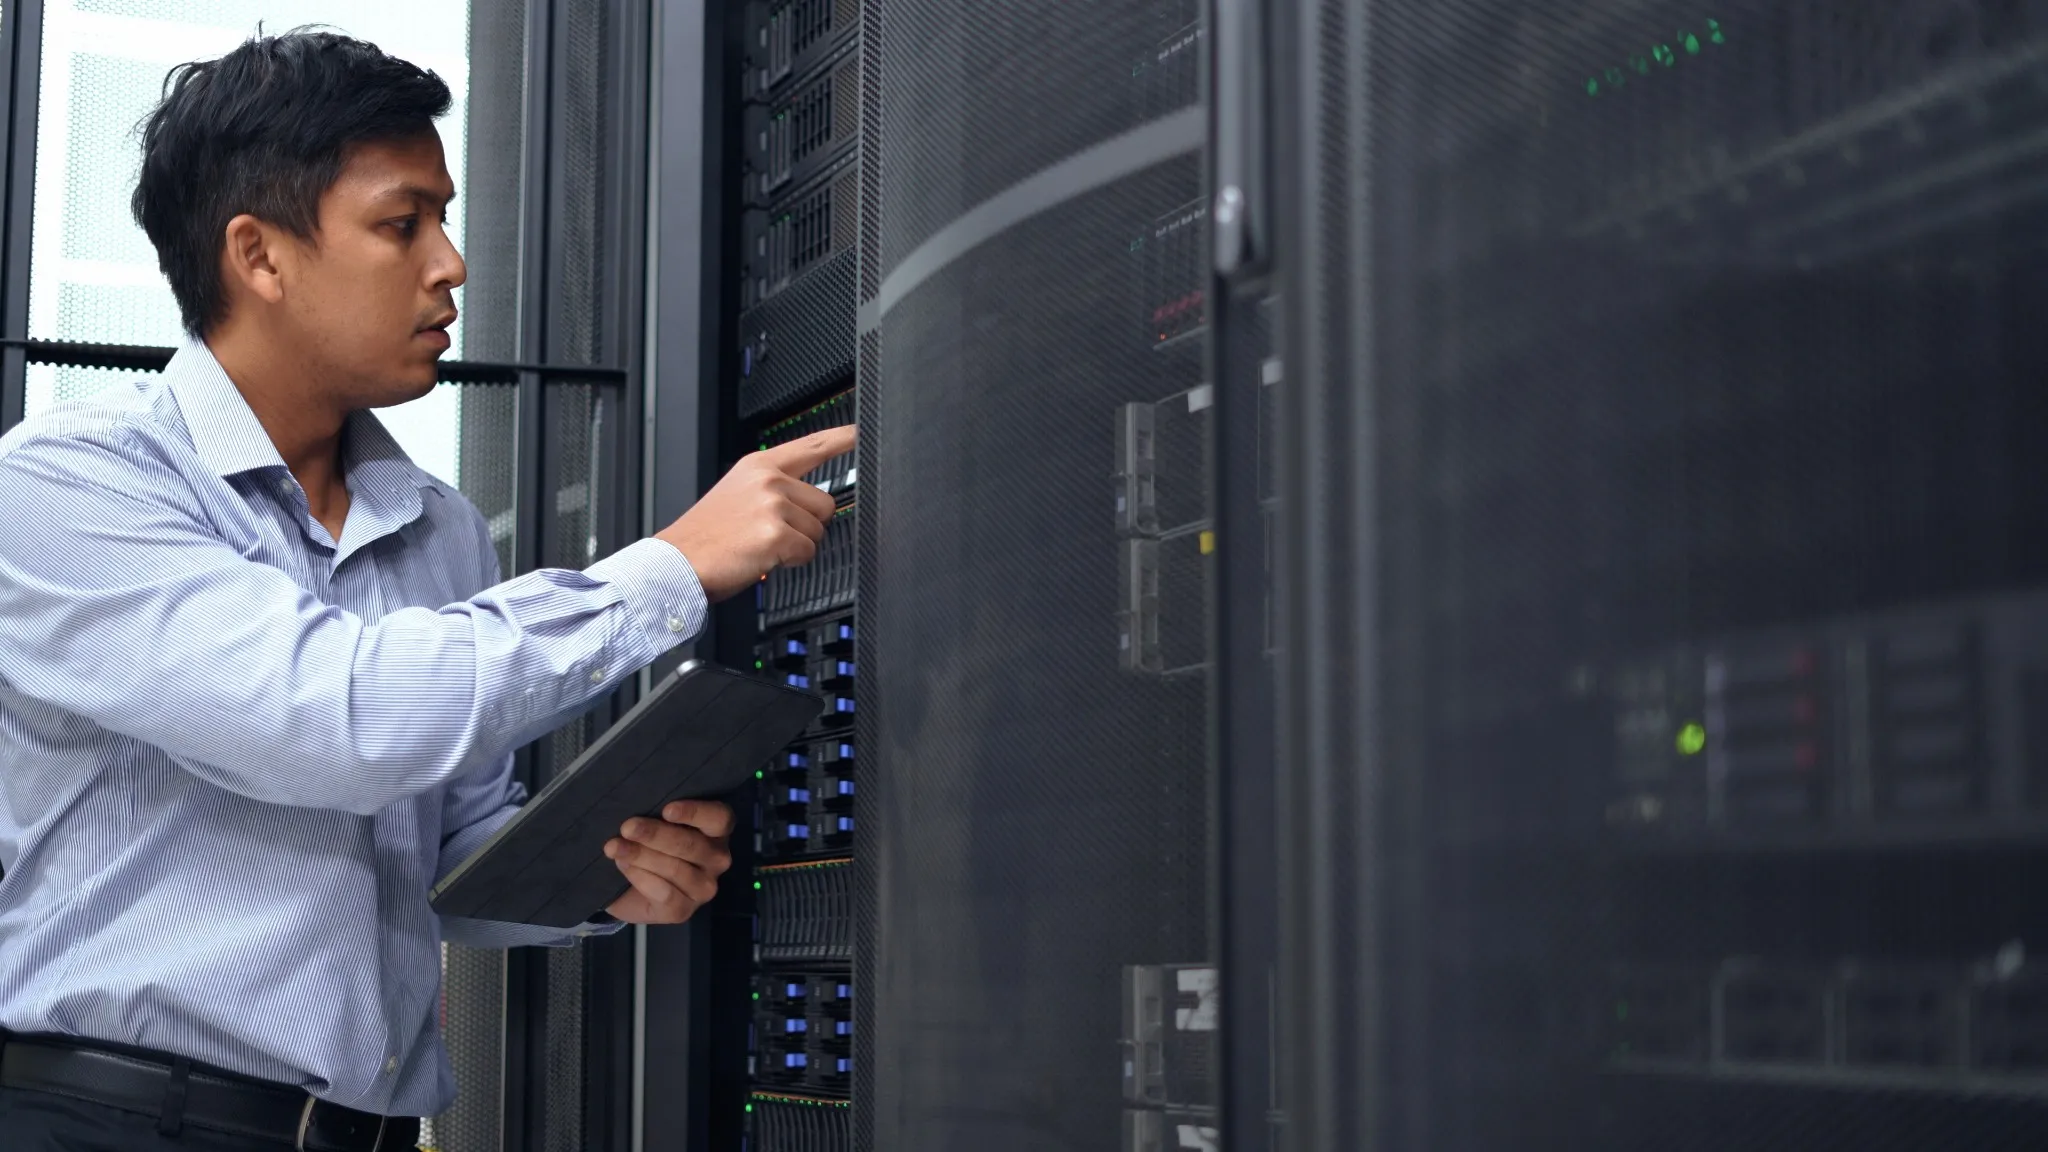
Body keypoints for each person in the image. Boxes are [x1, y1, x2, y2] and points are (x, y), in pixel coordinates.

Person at [0, 30, 851, 1152]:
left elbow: (439, 851)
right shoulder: (70, 483)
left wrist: (601, 878)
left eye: (443, 220)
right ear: (259, 256)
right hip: (113, 1122)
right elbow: (331, 719)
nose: (449, 263)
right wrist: (670, 568)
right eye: (402, 225)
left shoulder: (434, 524)